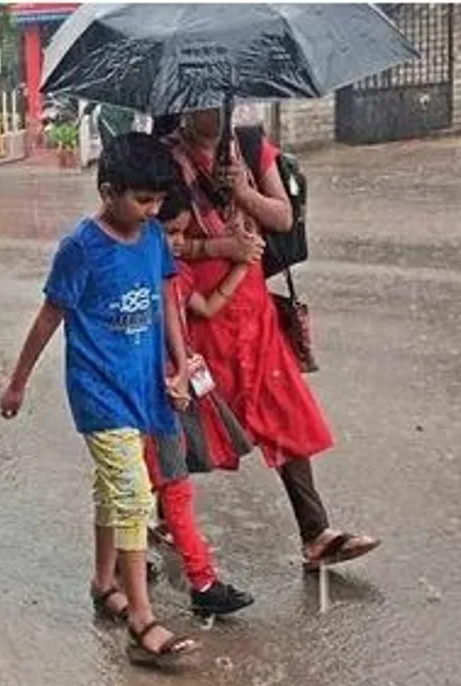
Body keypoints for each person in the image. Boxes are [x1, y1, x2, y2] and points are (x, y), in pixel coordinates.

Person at [0, 132, 198, 666]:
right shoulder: (80, 249)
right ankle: (141, 617)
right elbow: (49, 318)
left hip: (144, 384)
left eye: (157, 201)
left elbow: (167, 301)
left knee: (112, 490)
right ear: (108, 191)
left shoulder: (154, 238)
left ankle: (103, 580)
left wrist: (180, 363)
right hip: (99, 391)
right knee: (134, 495)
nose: (152, 210)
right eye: (142, 199)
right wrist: (17, 382)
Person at [164, 109, 380, 572]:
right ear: (185, 104)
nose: (215, 114)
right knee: (189, 418)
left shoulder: (249, 145)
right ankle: (154, 513)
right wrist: (220, 248)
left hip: (253, 307)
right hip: (200, 310)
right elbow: (159, 239)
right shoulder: (167, 160)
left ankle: (315, 533)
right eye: (204, 103)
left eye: (220, 102)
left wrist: (242, 191)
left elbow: (282, 216)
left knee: (282, 408)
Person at [144, 186, 256, 618]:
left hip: (174, 392)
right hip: (151, 395)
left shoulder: (176, 275)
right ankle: (189, 579)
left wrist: (242, 267)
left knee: (170, 489)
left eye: (179, 234)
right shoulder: (141, 276)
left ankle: (198, 578)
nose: (174, 242)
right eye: (169, 232)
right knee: (153, 490)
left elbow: (205, 309)